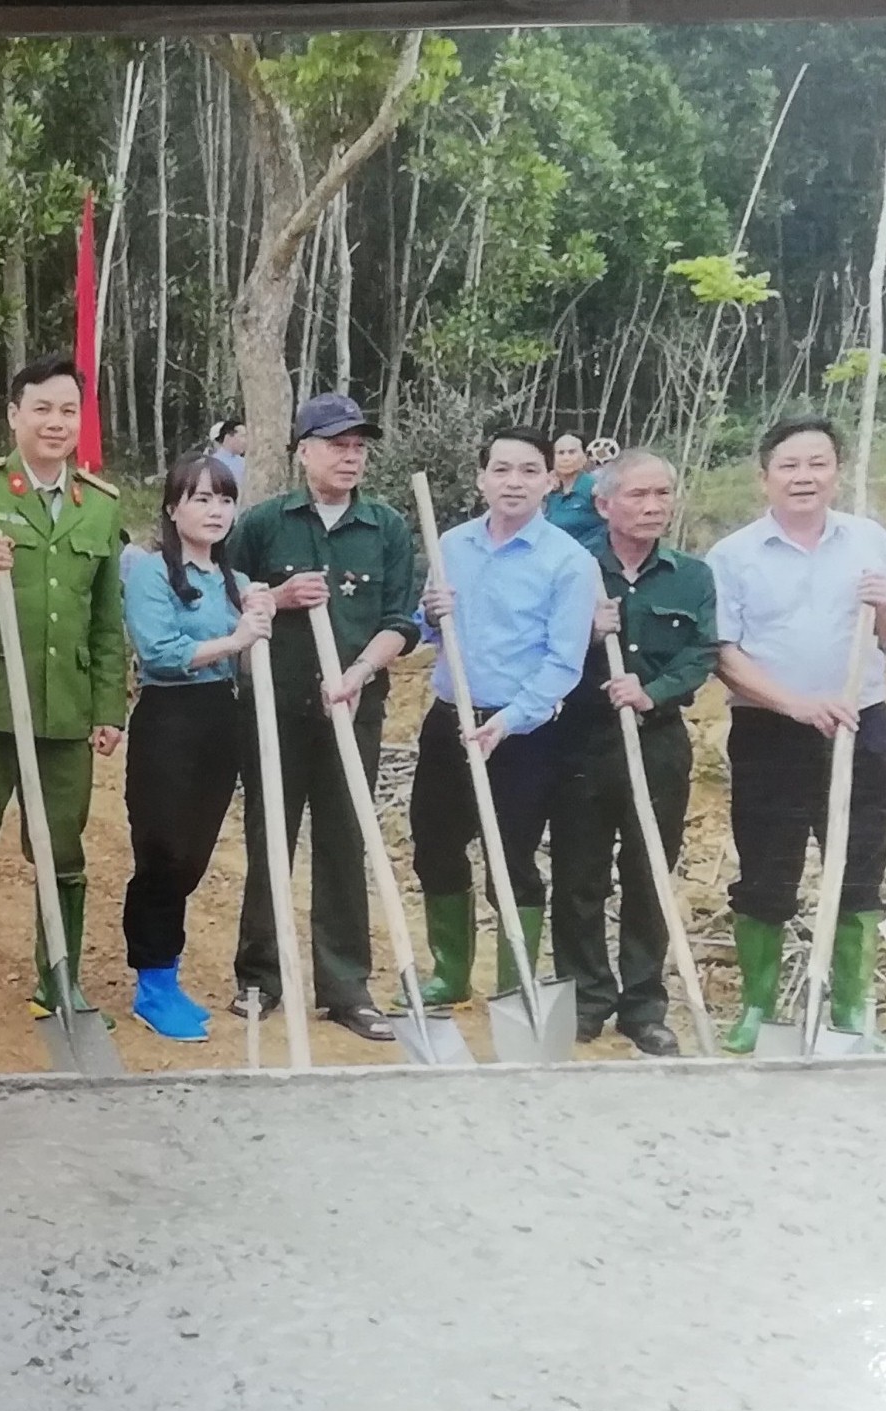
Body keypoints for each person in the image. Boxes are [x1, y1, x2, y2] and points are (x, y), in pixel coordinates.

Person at [0, 352, 127, 1039]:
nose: (56, 422)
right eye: (42, 408)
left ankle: (58, 979)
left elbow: (106, 621)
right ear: (14, 415)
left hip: (65, 709)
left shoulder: (100, 504)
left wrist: (108, 709)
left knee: (62, 849)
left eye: (69, 410)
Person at [708, 417, 886, 1052]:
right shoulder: (733, 555)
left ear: (837, 472)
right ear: (765, 477)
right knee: (766, 871)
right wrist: (796, 706)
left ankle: (853, 1010)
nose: (805, 476)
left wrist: (883, 607)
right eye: (790, 465)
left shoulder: (869, 541)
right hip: (769, 731)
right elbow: (723, 655)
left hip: (860, 724)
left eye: (818, 463)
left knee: (859, 864)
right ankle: (758, 1008)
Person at [219, 393, 420, 1040]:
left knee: (343, 841)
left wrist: (359, 673)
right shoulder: (263, 524)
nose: (350, 457)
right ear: (303, 452)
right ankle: (259, 978)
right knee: (269, 838)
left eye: (359, 447)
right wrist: (275, 598)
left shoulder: (387, 528)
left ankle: (346, 989)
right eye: (337, 445)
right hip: (274, 708)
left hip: (352, 709)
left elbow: (400, 622)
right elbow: (222, 598)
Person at [409, 426, 601, 1012]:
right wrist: (428, 614)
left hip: (523, 734)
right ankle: (449, 973)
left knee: (511, 856)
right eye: (501, 469)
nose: (513, 482)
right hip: (450, 720)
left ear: (549, 480)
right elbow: (425, 632)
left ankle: (515, 982)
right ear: (481, 479)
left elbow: (564, 662)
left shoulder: (569, 562)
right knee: (435, 846)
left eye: (527, 470)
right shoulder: (451, 545)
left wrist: (511, 720)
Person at [546, 450, 716, 1057]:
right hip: (582, 740)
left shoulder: (692, 575)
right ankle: (586, 998)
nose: (652, 507)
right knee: (578, 876)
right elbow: (540, 646)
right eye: (637, 495)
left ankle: (644, 1005)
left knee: (649, 874)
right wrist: (587, 633)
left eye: (661, 494)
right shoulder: (573, 567)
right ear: (603, 503)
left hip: (658, 740)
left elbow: (702, 653)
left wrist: (652, 692)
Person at [120, 453, 273, 1041]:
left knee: (193, 857)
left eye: (225, 499)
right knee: (162, 852)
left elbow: (248, 656)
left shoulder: (234, 581)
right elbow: (159, 653)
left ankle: (168, 973)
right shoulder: (151, 573)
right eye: (201, 498)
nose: (215, 511)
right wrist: (235, 638)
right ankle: (153, 986)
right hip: (168, 722)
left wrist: (259, 623)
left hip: (220, 721)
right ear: (172, 508)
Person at [543, 430, 603, 551]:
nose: (566, 458)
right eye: (561, 453)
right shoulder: (552, 490)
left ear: (584, 457)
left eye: (572, 452)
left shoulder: (594, 488)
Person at [207, 417, 249, 498]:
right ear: (228, 437)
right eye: (242, 436)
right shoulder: (213, 463)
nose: (245, 441)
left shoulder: (245, 462)